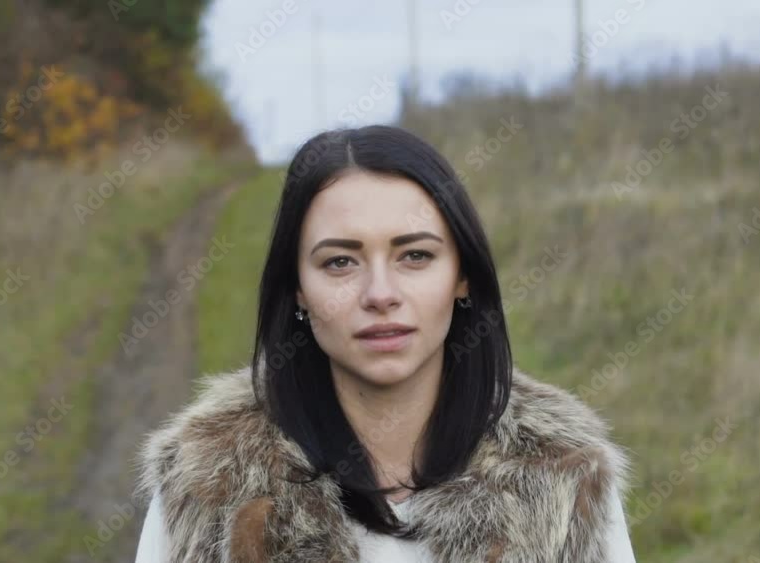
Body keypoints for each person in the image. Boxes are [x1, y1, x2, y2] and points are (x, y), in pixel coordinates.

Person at [133, 125, 637, 562]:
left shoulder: (565, 479)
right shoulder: (207, 486)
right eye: (340, 262)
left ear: (462, 276)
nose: (380, 294)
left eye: (415, 256)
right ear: (298, 289)